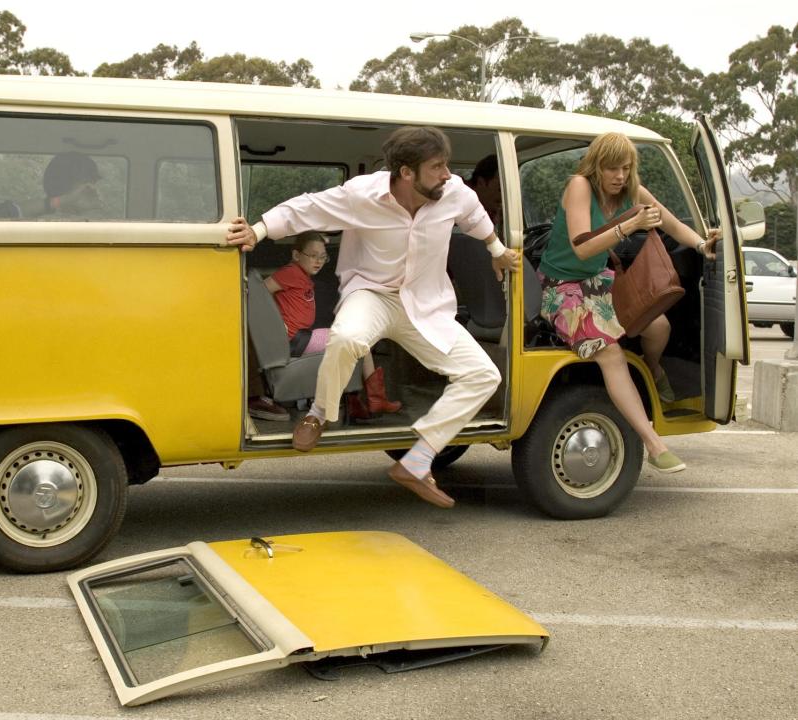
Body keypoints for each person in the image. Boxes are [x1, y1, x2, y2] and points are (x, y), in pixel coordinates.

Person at [227, 126, 520, 508]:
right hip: (372, 293)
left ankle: (416, 460)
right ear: (406, 173)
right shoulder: (363, 194)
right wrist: (259, 230)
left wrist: (497, 249)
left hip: (425, 304)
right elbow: (306, 208)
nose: (447, 174)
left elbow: (475, 216)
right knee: (347, 338)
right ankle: (319, 412)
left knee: (484, 375)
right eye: (437, 166)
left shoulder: (454, 193)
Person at [537, 132, 720, 474]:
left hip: (600, 281)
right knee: (610, 353)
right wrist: (630, 225)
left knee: (658, 325)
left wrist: (701, 246)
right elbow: (582, 247)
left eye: (625, 167)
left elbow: (673, 223)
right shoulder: (579, 185)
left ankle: (651, 368)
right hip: (563, 286)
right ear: (596, 166)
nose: (619, 176)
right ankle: (654, 444)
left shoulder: (631, 190)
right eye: (611, 168)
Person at [264, 230, 401, 418]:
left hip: (302, 336)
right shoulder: (290, 273)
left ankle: (356, 401)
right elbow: (261, 292)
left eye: (323, 257)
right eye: (312, 256)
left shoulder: (299, 275)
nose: (318, 261)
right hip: (297, 339)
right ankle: (374, 398)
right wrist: (275, 322)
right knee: (359, 340)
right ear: (296, 255)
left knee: (350, 340)